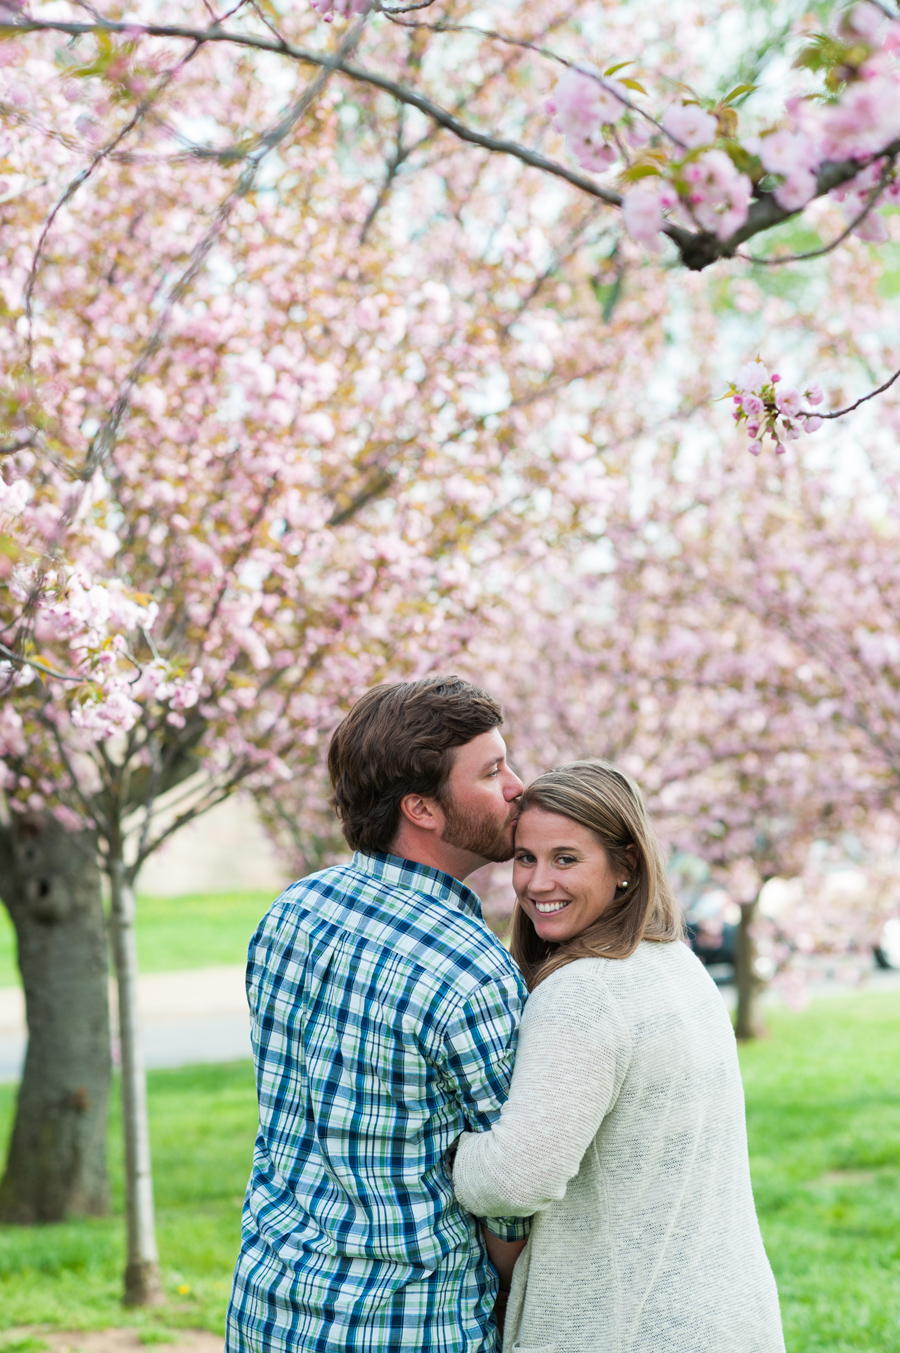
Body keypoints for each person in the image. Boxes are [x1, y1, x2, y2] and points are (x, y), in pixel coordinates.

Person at [226, 675, 530, 1353]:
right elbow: (507, 1196)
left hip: (268, 1307)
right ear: (422, 807)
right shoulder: (471, 972)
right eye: (492, 771)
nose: (518, 786)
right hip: (408, 1323)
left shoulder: (292, 909)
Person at [453, 760, 786, 1353]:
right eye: (525, 858)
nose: (536, 883)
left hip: (627, 1325)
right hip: (728, 1314)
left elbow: (510, 1181)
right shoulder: (673, 962)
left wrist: (446, 1139)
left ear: (626, 864)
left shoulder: (583, 995)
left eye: (565, 859)